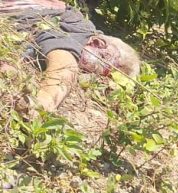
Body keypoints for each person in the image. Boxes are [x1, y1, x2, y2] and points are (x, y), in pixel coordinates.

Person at [1, 0, 139, 112]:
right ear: (98, 43)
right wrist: (43, 102)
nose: (93, 76)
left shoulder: (74, 20)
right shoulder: (79, 35)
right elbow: (65, 66)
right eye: (105, 64)